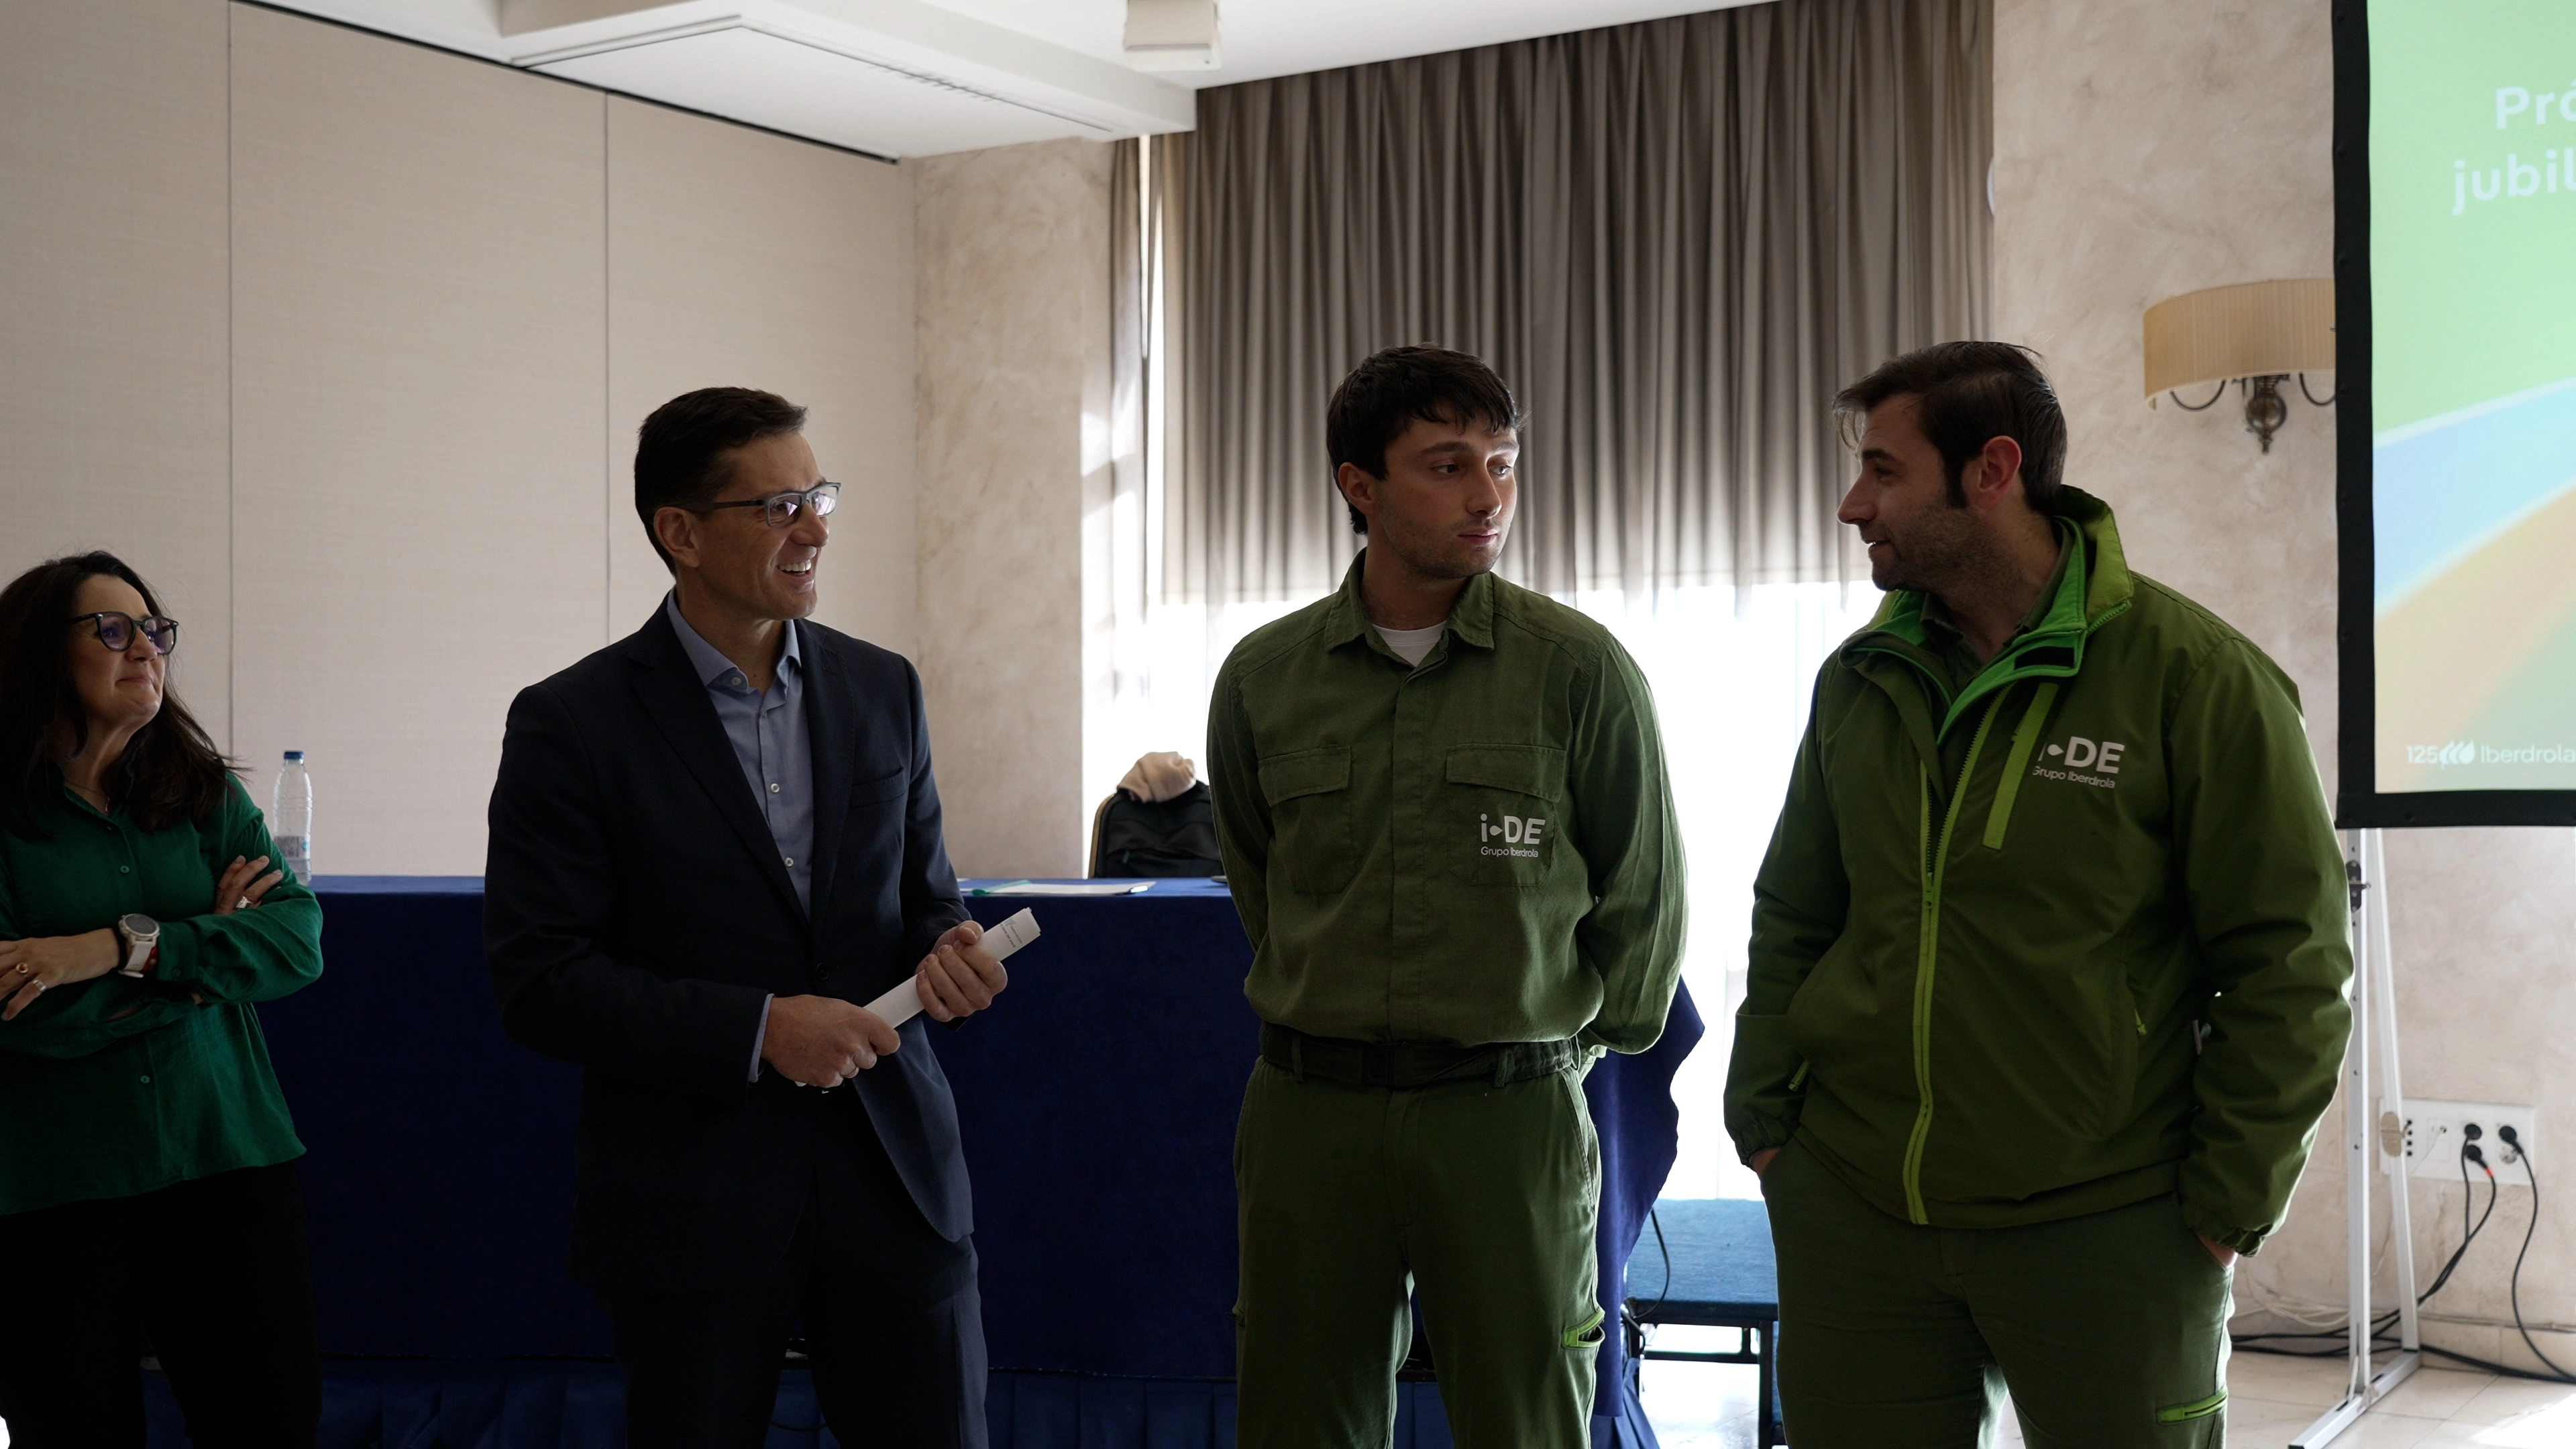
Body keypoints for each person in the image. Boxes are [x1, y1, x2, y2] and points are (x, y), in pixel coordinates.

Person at [1724, 342, 2351, 1446]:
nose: (1852, 503)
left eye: (1884, 470)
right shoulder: (1860, 680)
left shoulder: (2197, 679)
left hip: (2108, 1225)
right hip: (1858, 1211)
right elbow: (1797, 915)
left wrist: (2224, 1204)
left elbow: (2288, 966)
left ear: (1992, 469)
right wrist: (1770, 1125)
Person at [484, 387, 1010, 1448]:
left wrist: (949, 952)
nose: (815, 529)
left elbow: (927, 895)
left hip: (895, 1173)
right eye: (778, 507)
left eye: (819, 496)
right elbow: (541, 982)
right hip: (692, 1191)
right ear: (679, 532)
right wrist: (762, 1028)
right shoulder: (573, 723)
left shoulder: (883, 688)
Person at [1205, 345, 1686, 1447]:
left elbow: (1644, 902)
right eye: (1448, 465)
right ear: (1358, 486)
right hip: (1309, 1111)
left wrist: (1555, 1054)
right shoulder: (1265, 678)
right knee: (1299, 1417)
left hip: (1507, 1115)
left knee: (1527, 1417)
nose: (1488, 496)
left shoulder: (1577, 669)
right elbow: (1258, 880)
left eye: (1503, 463)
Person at [0, 551, 322, 1448]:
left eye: (154, 629)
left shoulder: (202, 791)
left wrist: (110, 950)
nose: (145, 646)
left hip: (227, 1160)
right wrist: (200, 971)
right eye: (112, 629)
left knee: (269, 1427)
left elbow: (297, 943)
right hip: (54, 1185)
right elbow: (15, 1014)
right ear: (36, 655)